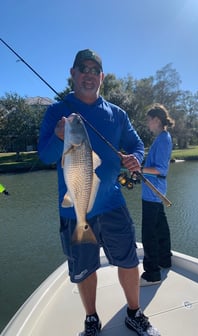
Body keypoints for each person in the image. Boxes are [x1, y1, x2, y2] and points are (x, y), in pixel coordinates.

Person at [38, 49, 160, 336]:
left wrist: (134, 158)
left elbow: (136, 144)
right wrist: (58, 137)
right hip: (74, 209)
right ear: (73, 73)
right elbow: (45, 156)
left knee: (129, 261)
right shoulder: (57, 112)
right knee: (85, 268)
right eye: (84, 68)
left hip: (112, 203)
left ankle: (134, 312)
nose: (89, 74)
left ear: (101, 77)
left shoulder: (117, 114)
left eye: (95, 70)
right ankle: (91, 318)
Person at [140, 103, 175, 287]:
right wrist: (141, 170)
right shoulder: (163, 138)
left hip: (152, 194)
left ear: (157, 120)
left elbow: (161, 169)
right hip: (156, 193)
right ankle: (165, 260)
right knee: (161, 227)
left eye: (149, 120)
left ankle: (152, 274)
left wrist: (139, 169)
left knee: (149, 234)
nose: (147, 124)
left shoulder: (163, 139)